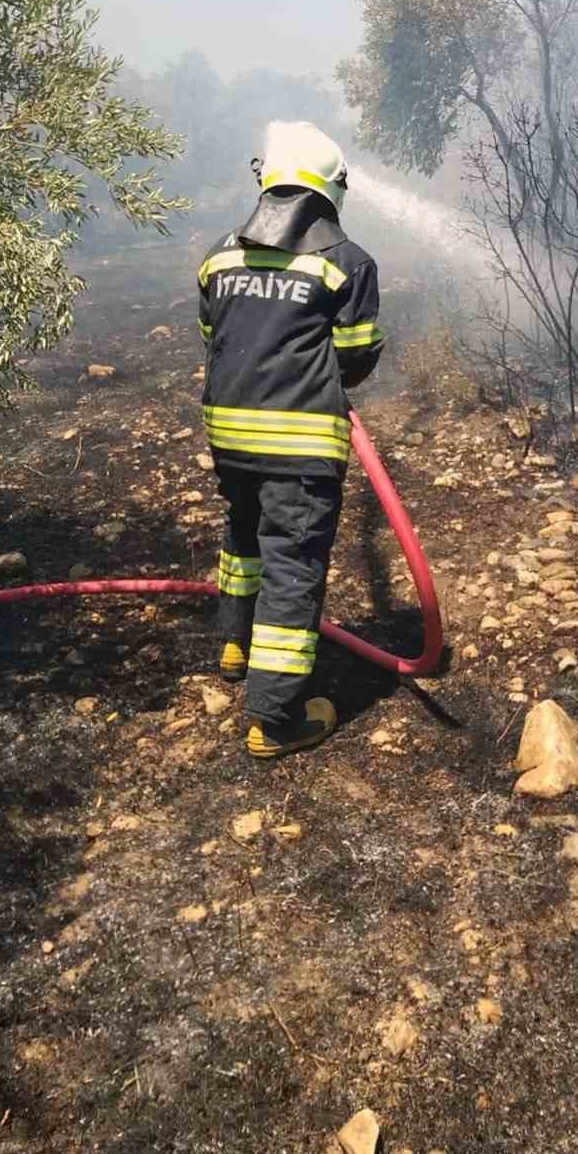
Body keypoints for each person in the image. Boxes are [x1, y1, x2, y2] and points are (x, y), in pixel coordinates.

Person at [196, 122, 383, 757]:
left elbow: (213, 334)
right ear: (330, 191)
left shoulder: (221, 254)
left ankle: (234, 643)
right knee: (292, 566)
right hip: (299, 444)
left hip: (229, 432)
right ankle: (276, 720)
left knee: (243, 535)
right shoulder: (346, 263)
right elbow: (355, 358)